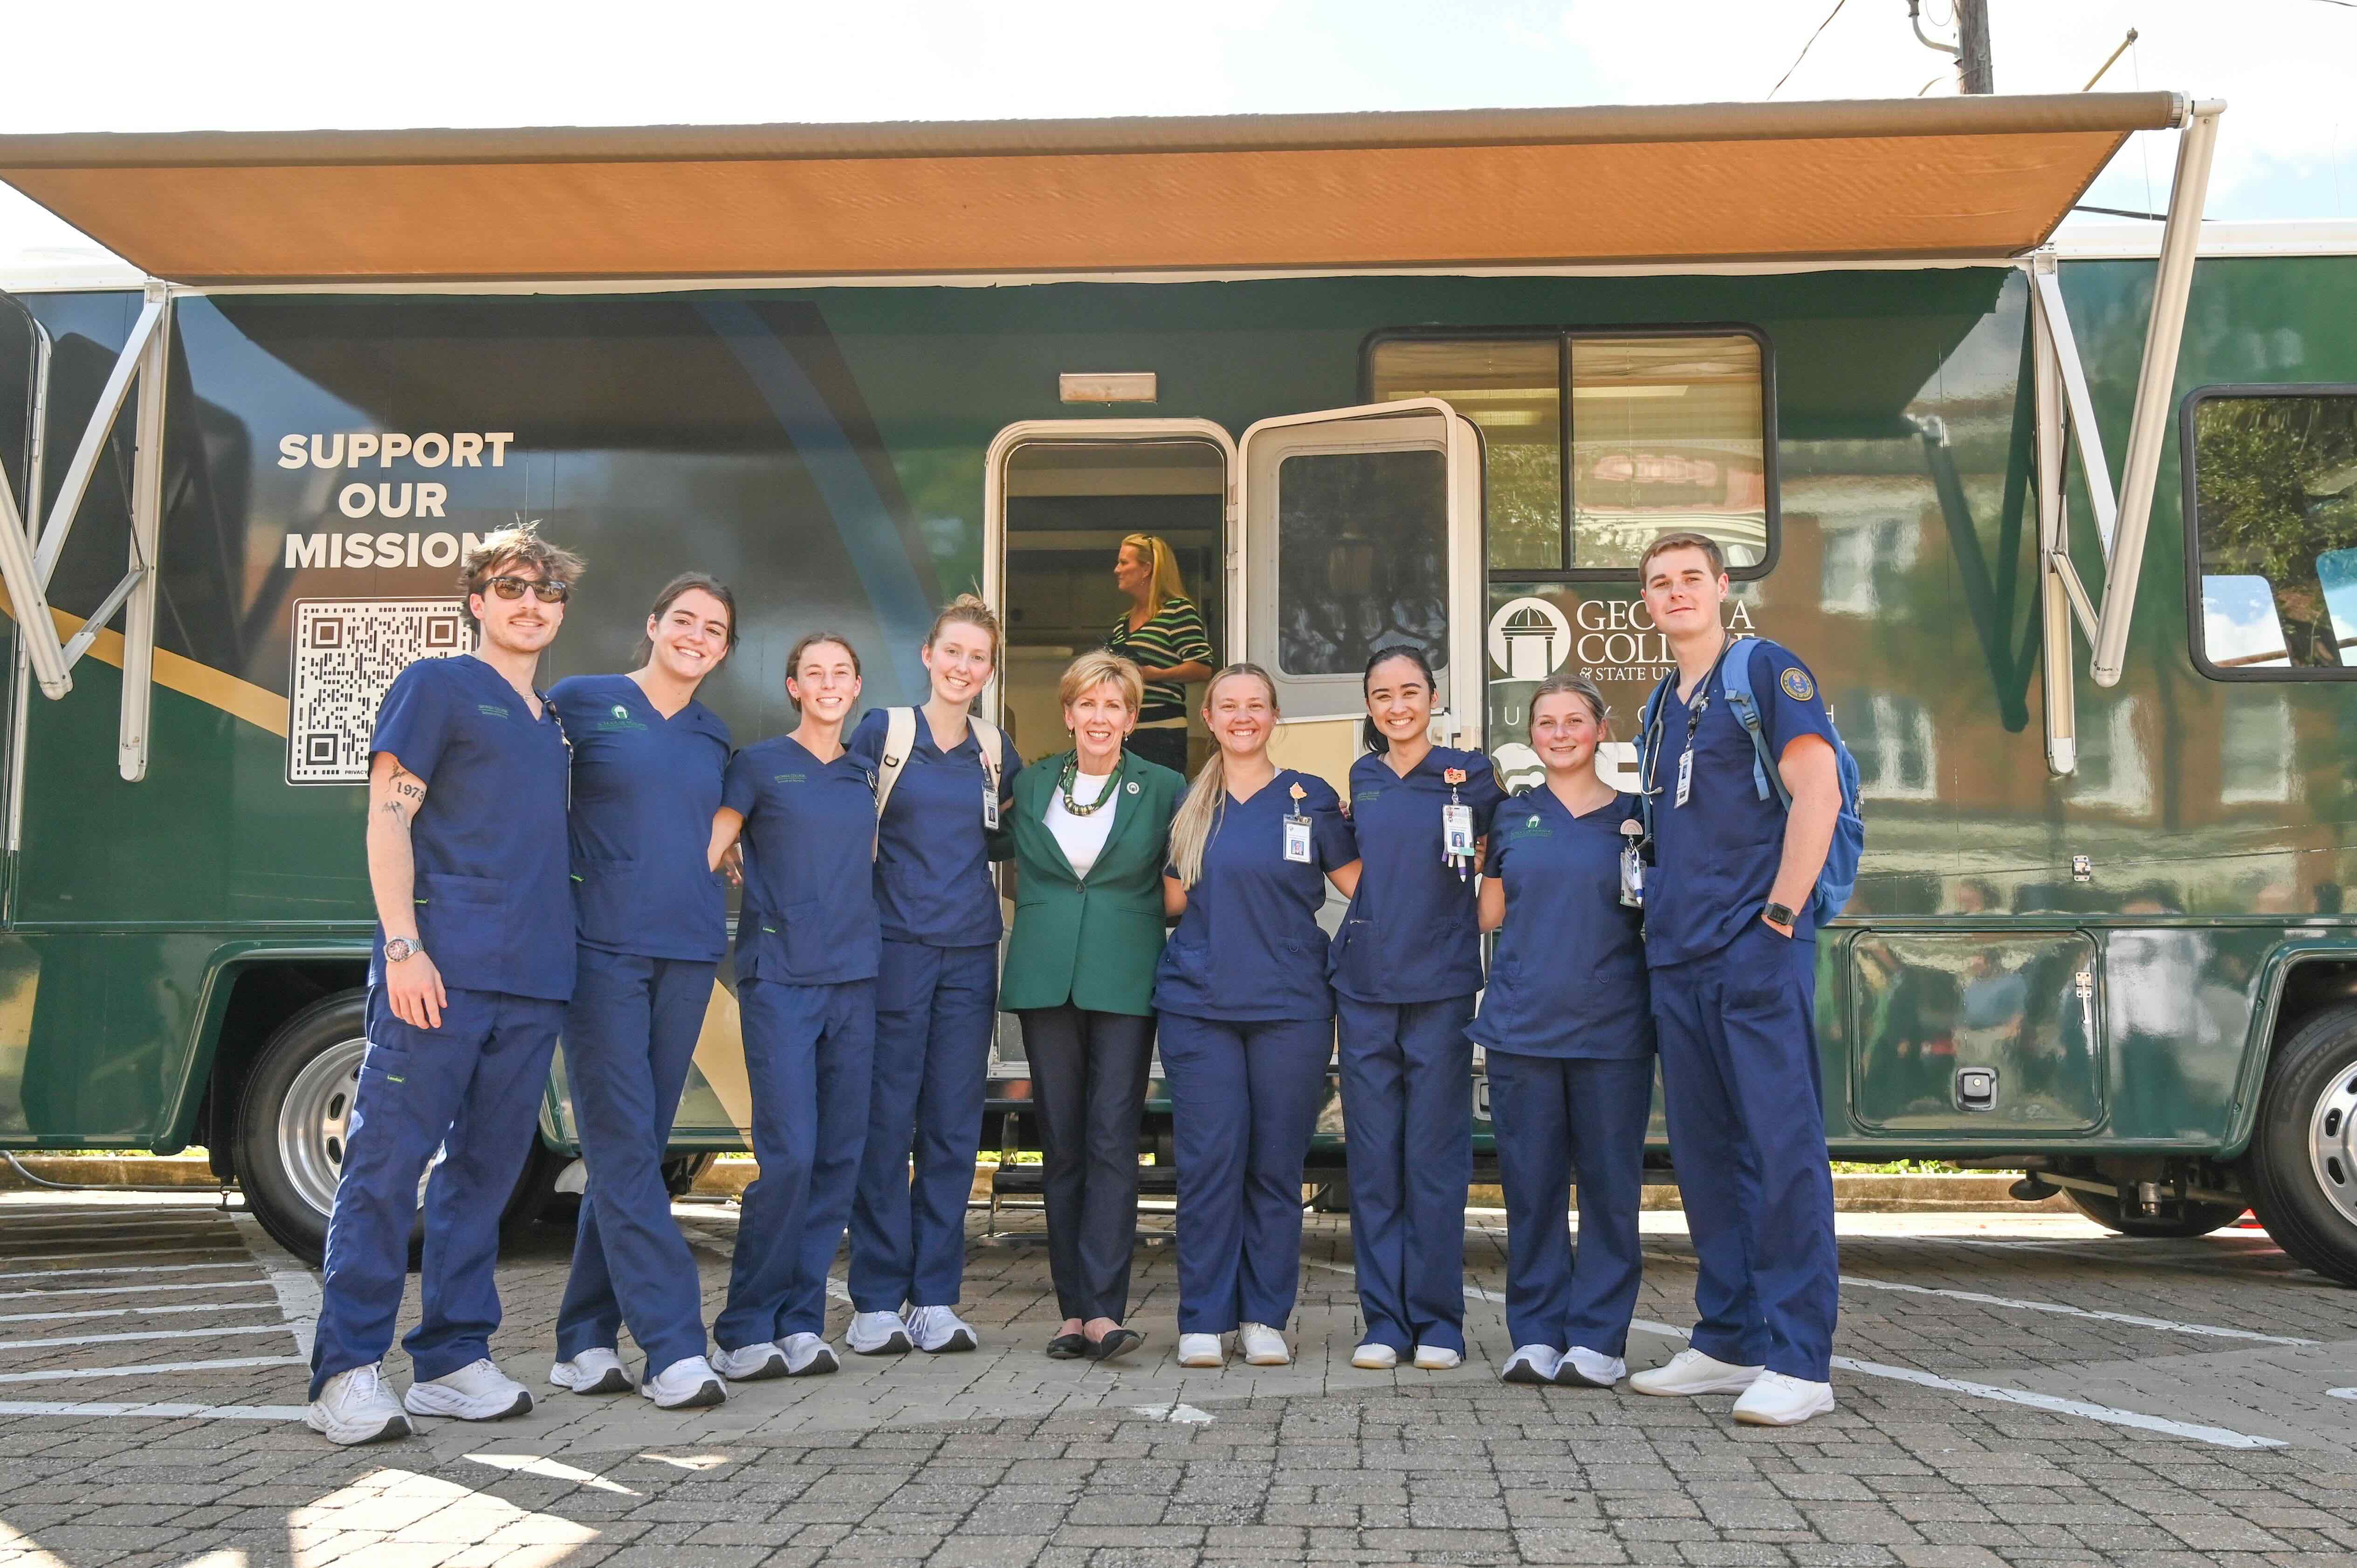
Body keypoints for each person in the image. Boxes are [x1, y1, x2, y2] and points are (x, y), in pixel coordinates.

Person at [305, 526, 585, 1445]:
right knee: (386, 1172)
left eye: (546, 591)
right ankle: (345, 1369)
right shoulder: (436, 685)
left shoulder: (548, 721)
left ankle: (451, 1359)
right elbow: (389, 817)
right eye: (510, 586)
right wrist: (402, 945)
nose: (529, 602)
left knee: (483, 1179)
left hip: (530, 980)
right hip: (440, 972)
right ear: (476, 598)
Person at [1628, 531, 1843, 1427]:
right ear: (1646, 602)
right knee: (1709, 1159)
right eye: (1659, 583)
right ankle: (1727, 1340)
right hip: (1678, 958)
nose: (1675, 593)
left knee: (1781, 1152)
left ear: (1721, 587)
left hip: (1754, 949)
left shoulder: (1764, 672)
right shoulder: (1659, 705)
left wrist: (1780, 920)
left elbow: (1817, 792)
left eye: (1690, 579)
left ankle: (1800, 1362)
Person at [543, 574, 737, 1412]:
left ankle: (582, 1342)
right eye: (684, 619)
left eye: (714, 629)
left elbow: (710, 830)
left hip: (687, 953)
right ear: (652, 624)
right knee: (623, 1148)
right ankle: (672, 1346)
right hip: (601, 955)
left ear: (724, 651)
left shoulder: (712, 734)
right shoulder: (582, 702)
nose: (696, 635)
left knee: (632, 1152)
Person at [1156, 664, 1360, 1369]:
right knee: (1211, 1165)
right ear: (1208, 719)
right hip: (1200, 1007)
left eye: (1256, 706)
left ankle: (1262, 1317)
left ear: (1274, 716)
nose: (1242, 717)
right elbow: (1167, 901)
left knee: (1275, 1167)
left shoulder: (1310, 799)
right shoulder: (1187, 805)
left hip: (1291, 1007)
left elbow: (1360, 884)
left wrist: (1457, 860)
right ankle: (1203, 1318)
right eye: (1228, 707)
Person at [845, 596, 1024, 1355]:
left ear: (988, 670)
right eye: (951, 652)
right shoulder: (886, 733)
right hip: (894, 951)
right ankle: (877, 1301)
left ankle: (935, 1299)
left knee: (953, 1130)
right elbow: (843, 831)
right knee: (886, 1126)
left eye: (976, 658)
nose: (962, 667)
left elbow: (1008, 838)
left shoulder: (993, 749)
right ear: (928, 655)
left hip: (968, 957)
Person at [999, 651, 1186, 1363]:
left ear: (1131, 718)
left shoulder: (1164, 786)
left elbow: (1197, 866)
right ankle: (1070, 1311)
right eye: (1088, 704)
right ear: (1069, 713)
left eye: (1115, 706)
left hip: (1126, 978)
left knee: (1112, 1140)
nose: (1100, 717)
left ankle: (1105, 1310)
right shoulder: (1033, 781)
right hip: (1047, 977)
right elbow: (980, 838)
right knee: (1062, 1143)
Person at [705, 633, 881, 1379]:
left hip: (855, 981)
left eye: (842, 672)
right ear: (794, 687)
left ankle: (800, 1321)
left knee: (839, 1157)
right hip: (780, 980)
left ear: (856, 686)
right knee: (791, 1155)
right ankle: (744, 1329)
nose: (830, 683)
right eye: (816, 673)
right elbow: (710, 849)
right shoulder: (758, 765)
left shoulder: (864, 774)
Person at [1471, 672, 1653, 1390]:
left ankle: (1599, 1340)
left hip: (1612, 1031)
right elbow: (1486, 915)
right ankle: (1537, 1335)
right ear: (1531, 735)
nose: (1559, 733)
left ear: (1599, 729)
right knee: (1531, 1189)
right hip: (1523, 1029)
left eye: (1573, 720)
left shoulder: (1639, 818)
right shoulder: (1512, 818)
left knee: (1611, 1190)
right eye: (1545, 722)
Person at [1331, 646, 1504, 1372]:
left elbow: (1493, 871)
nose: (1396, 706)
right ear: (1368, 706)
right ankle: (1384, 1324)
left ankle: (1438, 1322)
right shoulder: (1362, 777)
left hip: (1439, 985)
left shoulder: (1474, 776)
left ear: (1433, 697)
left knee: (1434, 1158)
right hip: (1365, 985)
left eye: (1409, 692)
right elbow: (1353, 876)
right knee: (1372, 1161)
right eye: (1381, 695)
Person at [1107, 534, 1214, 777]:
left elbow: (1203, 668)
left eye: (1124, 563)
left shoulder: (1178, 611)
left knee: (1159, 805)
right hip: (1122, 729)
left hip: (1162, 732)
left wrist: (1154, 675)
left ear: (1146, 569)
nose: (1117, 570)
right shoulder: (1122, 622)